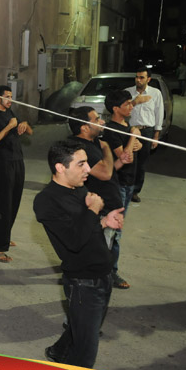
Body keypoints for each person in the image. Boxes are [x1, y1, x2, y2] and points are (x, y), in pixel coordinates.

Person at [34, 139, 124, 368]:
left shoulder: (79, 188)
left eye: (87, 163)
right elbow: (73, 241)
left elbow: (85, 229)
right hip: (83, 282)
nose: (88, 169)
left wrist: (103, 221)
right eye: (81, 164)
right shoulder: (47, 200)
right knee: (86, 352)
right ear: (60, 167)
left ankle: (58, 352)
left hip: (103, 274)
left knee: (83, 328)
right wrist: (93, 210)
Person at [67, 106, 128, 251]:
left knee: (108, 250)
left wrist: (120, 162)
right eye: (96, 119)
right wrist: (106, 148)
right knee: (97, 252)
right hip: (100, 212)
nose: (102, 122)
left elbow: (108, 170)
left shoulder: (93, 141)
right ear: (84, 128)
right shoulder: (80, 148)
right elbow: (105, 174)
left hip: (108, 208)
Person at [0, 85, 33, 262]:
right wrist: (9, 126)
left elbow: (30, 132)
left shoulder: (11, 112)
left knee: (15, 201)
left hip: (18, 160)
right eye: (7, 97)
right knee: (4, 204)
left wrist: (24, 125)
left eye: (11, 97)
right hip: (4, 162)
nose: (10, 100)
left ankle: (3, 236)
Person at [102, 90, 142, 289]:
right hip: (118, 184)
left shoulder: (127, 127)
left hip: (129, 182)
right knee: (113, 231)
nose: (131, 106)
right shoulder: (111, 130)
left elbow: (137, 147)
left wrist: (133, 139)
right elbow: (125, 156)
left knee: (117, 231)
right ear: (116, 108)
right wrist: (133, 137)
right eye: (127, 104)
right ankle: (109, 272)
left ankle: (107, 270)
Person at [124, 67, 163, 203]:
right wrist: (135, 102)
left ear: (148, 79)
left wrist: (156, 136)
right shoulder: (128, 92)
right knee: (128, 161)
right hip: (130, 130)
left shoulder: (156, 93)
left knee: (141, 163)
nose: (138, 80)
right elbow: (121, 110)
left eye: (142, 77)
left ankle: (135, 191)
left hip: (146, 131)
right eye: (137, 77)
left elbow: (159, 114)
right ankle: (126, 188)